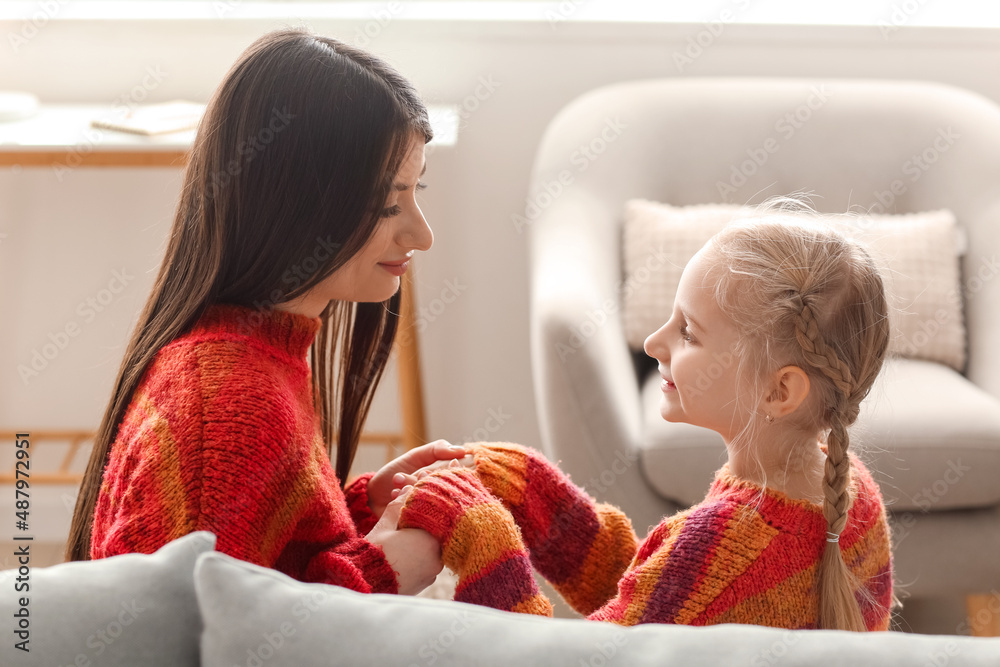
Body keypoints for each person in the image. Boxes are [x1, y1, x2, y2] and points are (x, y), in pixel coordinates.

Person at [64, 27, 469, 596]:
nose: (421, 236)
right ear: (296, 203)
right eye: (386, 204)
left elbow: (263, 569)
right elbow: (193, 635)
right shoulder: (230, 406)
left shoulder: (260, 358)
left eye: (414, 193)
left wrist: (357, 511)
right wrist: (381, 569)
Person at [392, 213, 898, 630]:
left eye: (689, 333)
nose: (655, 343)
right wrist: (532, 489)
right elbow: (666, 599)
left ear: (780, 390)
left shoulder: (723, 542)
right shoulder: (849, 493)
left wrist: (486, 540)